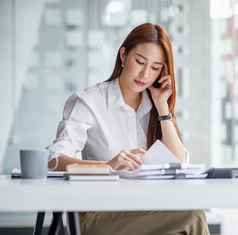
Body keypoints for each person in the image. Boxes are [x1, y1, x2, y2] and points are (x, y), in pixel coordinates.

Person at [47, 23, 210, 235]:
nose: (144, 74)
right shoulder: (89, 102)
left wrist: (162, 107)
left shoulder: (154, 106)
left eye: (154, 67)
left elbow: (178, 164)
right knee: (193, 216)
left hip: (147, 209)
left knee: (185, 221)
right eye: (140, 62)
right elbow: (53, 160)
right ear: (123, 55)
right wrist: (107, 165)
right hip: (98, 214)